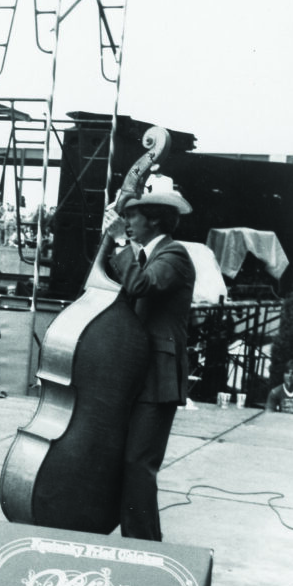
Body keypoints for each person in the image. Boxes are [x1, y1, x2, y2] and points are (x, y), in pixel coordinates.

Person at [104, 183, 196, 540]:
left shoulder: (174, 256)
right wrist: (114, 247)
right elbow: (125, 279)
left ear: (154, 219)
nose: (127, 221)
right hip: (138, 370)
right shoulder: (145, 254)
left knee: (139, 463)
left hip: (157, 374)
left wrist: (121, 245)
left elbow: (141, 286)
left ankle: (143, 546)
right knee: (131, 461)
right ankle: (138, 541)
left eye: (132, 215)